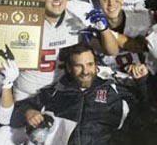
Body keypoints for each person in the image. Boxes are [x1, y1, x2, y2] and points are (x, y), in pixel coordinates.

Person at [11, 43, 139, 145]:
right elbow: (14, 115)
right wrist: (28, 112)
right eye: (79, 66)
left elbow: (144, 107)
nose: (86, 71)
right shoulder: (55, 92)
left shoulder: (112, 89)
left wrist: (142, 81)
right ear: (68, 68)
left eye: (90, 64)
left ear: (95, 65)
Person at [9, 0, 90, 100]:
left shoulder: (77, 22)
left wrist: (101, 32)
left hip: (62, 92)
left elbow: (108, 51)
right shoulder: (23, 23)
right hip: (27, 94)